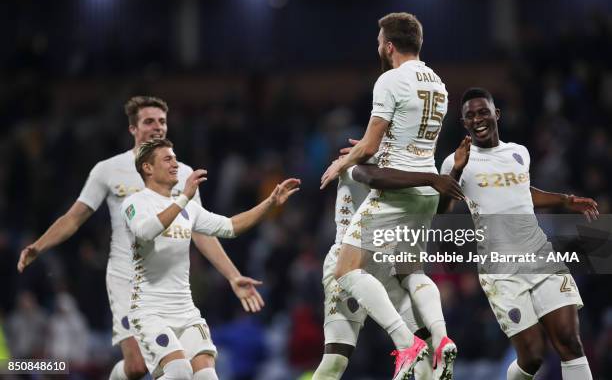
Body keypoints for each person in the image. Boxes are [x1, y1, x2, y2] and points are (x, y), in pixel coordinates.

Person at [17, 96, 265, 380]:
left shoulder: (181, 173)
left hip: (169, 285)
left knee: (179, 367)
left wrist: (232, 276)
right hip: (126, 278)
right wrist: (39, 246)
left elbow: (201, 230)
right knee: (137, 366)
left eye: (162, 121)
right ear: (133, 129)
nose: (157, 127)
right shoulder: (108, 170)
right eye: (149, 121)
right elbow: (74, 217)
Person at [320, 12, 457, 380]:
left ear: (389, 45)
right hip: (426, 193)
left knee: (345, 269)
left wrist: (341, 164)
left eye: (380, 41)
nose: (378, 47)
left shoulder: (390, 79)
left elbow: (368, 145)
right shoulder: (439, 84)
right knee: (411, 270)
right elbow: (410, 142)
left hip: (396, 194)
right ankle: (441, 338)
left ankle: (405, 342)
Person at [440, 87, 598, 380]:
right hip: (500, 267)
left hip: (540, 255)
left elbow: (521, 193)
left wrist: (565, 200)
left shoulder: (518, 153)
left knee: (569, 341)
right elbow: (442, 209)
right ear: (464, 123)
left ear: (495, 114)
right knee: (533, 356)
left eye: (483, 111)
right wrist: (455, 172)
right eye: (470, 115)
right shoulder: (456, 161)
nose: (478, 119)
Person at [121, 138, 299, 379]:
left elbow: (230, 226)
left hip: (185, 309)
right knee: (179, 371)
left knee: (207, 376)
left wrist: (269, 204)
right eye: (167, 159)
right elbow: (145, 231)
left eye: (175, 158)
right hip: (150, 310)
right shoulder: (134, 203)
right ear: (148, 168)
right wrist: (184, 197)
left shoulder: (188, 208)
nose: (175, 163)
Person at [313, 159, 464, 380]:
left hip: (387, 261)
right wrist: (433, 178)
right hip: (348, 260)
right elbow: (374, 177)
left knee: (426, 349)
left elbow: (438, 206)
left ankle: (414, 345)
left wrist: (449, 175)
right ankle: (409, 344)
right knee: (335, 359)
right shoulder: (360, 167)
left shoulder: (401, 165)